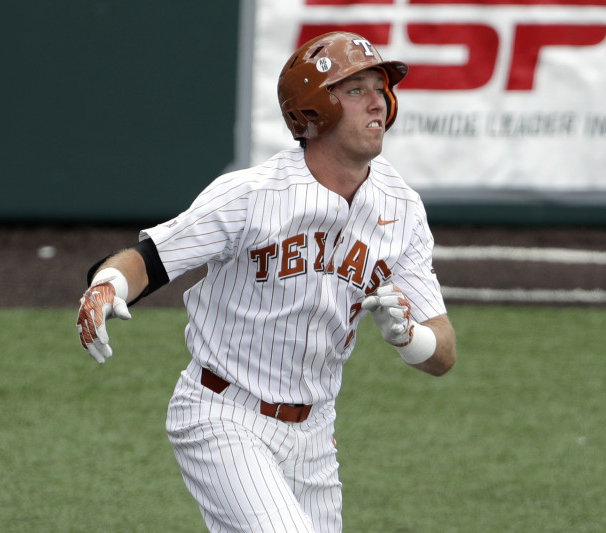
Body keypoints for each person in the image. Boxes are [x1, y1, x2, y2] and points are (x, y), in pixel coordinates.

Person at [76, 31, 456, 533]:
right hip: (222, 414)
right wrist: (107, 285)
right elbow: (150, 259)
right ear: (313, 109)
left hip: (317, 434)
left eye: (380, 88)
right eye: (356, 89)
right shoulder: (250, 194)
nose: (378, 103)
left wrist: (410, 338)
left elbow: (443, 353)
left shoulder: (401, 207)